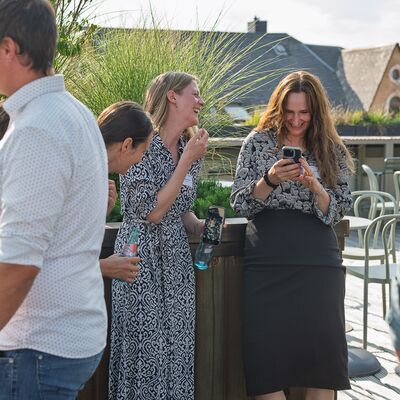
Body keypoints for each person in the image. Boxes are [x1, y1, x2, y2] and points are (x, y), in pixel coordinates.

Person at [0, 1, 109, 399]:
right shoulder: (73, 112)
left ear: (9, 49)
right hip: (62, 338)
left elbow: (19, 263)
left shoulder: (36, 128)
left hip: (35, 347)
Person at [230, 71, 354, 400]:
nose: (296, 120)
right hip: (267, 258)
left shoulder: (331, 148)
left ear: (316, 111)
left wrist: (315, 187)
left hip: (318, 260)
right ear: (278, 107)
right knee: (264, 360)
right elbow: (240, 203)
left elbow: (339, 208)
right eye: (289, 112)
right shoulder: (257, 142)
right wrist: (270, 180)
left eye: (304, 112)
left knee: (324, 361)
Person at [109, 71, 208, 400]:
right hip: (139, 259)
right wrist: (187, 162)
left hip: (176, 262)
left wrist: (198, 227)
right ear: (172, 96)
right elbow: (150, 211)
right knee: (146, 351)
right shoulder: (140, 142)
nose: (201, 101)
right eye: (195, 94)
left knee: (177, 351)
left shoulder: (188, 147)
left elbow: (179, 207)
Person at [97, 101, 154, 283]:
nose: (141, 160)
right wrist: (103, 267)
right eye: (143, 151)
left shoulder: (93, 176)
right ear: (127, 145)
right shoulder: (79, 177)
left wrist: (101, 214)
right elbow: (45, 256)